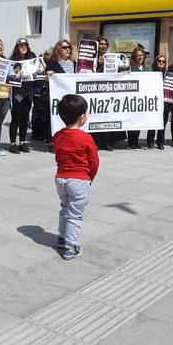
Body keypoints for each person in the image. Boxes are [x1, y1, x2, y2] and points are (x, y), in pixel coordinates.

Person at [53, 94, 99, 260]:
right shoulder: (86, 138)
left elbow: (58, 156)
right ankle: (71, 246)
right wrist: (89, 178)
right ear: (81, 117)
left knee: (65, 208)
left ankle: (62, 238)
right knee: (75, 215)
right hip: (79, 180)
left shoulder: (58, 135)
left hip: (61, 178)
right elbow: (94, 162)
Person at [45, 39, 76, 151]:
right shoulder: (53, 63)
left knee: (69, 119)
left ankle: (67, 140)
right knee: (55, 118)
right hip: (57, 97)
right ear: (58, 49)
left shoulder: (74, 62)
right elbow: (46, 79)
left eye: (69, 47)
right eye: (64, 47)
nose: (67, 49)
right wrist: (48, 75)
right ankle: (52, 141)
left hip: (71, 97)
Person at [9, 38, 36, 154]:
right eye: (21, 46)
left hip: (28, 92)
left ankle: (22, 142)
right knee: (16, 118)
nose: (23, 47)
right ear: (17, 47)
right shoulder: (13, 59)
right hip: (18, 93)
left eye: (25, 45)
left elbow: (37, 71)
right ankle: (12, 143)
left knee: (25, 118)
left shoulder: (32, 57)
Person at [147, 54, 169, 150]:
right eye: (159, 61)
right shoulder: (151, 73)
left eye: (163, 61)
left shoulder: (168, 75)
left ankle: (160, 142)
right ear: (156, 62)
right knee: (152, 121)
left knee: (162, 123)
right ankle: (150, 141)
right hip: (154, 101)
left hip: (165, 101)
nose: (161, 63)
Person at [126, 47, 147, 149]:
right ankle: (131, 142)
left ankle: (136, 141)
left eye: (141, 55)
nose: (140, 57)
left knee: (139, 121)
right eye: (138, 55)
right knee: (132, 121)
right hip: (132, 99)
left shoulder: (147, 69)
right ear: (134, 57)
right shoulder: (130, 69)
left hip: (142, 99)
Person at [31, 48, 52, 142]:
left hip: (46, 91)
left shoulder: (52, 64)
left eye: (50, 54)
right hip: (37, 90)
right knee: (37, 112)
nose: (48, 56)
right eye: (46, 54)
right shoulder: (37, 63)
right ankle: (35, 133)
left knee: (44, 113)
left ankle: (43, 132)